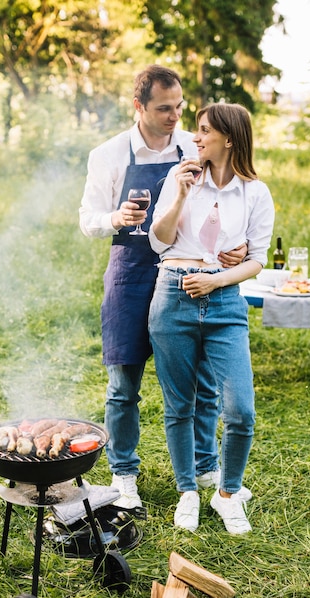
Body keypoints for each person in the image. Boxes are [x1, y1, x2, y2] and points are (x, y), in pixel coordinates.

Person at [79, 65, 247, 510]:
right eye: (164, 109)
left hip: (188, 276)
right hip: (132, 274)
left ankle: (205, 463)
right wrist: (116, 218)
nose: (176, 118)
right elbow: (87, 219)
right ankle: (124, 473)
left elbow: (227, 201)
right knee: (123, 384)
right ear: (139, 107)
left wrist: (237, 246)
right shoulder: (109, 154)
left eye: (179, 107)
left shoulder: (194, 146)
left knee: (204, 384)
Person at [148, 103, 275, 533]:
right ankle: (188, 490)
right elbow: (158, 242)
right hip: (172, 295)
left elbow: (256, 261)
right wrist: (181, 194)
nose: (196, 137)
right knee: (179, 405)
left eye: (205, 131)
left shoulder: (255, 193)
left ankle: (227, 493)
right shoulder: (179, 178)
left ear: (230, 138)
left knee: (241, 409)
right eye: (196, 130)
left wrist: (216, 281)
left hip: (224, 304)